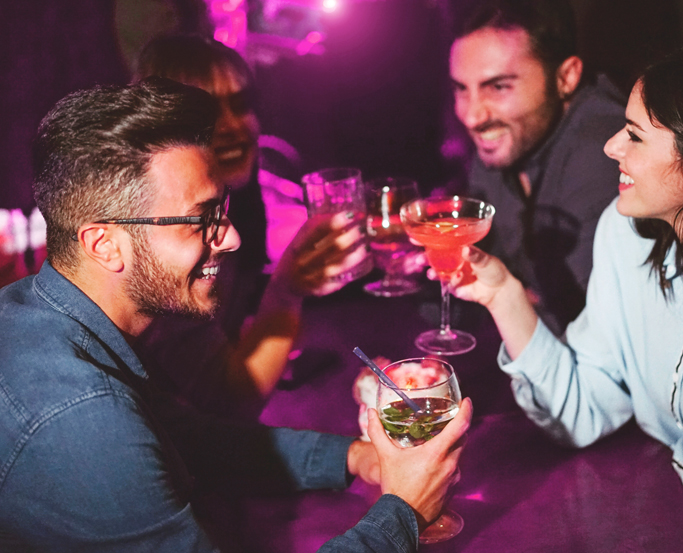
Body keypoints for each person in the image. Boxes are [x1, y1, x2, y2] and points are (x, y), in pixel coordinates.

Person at [0, 78, 472, 551]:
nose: (230, 238)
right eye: (201, 219)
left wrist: (355, 458)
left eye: (222, 210)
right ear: (104, 244)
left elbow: (189, 442)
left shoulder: (39, 312)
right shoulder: (83, 420)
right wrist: (404, 512)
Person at [446, 42, 683, 543]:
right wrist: (502, 295)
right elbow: (582, 411)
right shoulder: (624, 237)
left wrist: (675, 450)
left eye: (634, 135)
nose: (611, 146)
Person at [132, 35, 360, 416]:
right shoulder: (163, 246)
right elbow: (230, 401)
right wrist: (286, 291)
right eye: (204, 115)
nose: (232, 126)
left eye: (240, 105)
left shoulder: (225, 210)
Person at [449, 0, 625, 335]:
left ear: (566, 77)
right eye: (461, 89)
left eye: (499, 87)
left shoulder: (605, 151)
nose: (472, 116)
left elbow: (587, 327)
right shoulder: (507, 138)